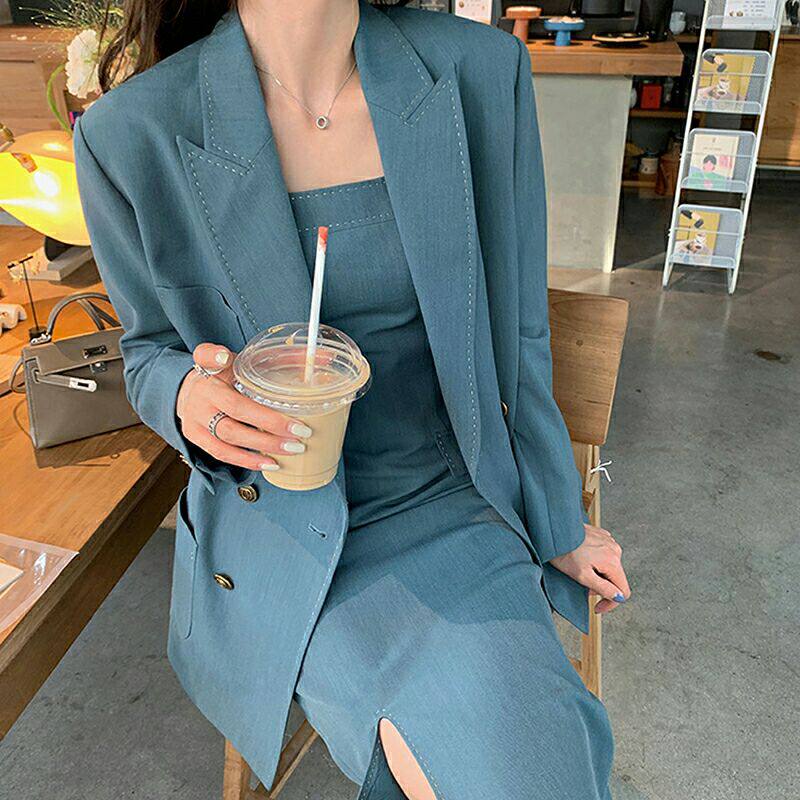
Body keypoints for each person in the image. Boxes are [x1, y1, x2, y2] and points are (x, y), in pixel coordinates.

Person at [73, 1, 630, 798]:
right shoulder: (131, 132)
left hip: (454, 502)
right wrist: (189, 396)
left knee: (527, 766)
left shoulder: (478, 71)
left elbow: (521, 331)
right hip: (281, 529)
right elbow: (146, 354)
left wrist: (554, 517)